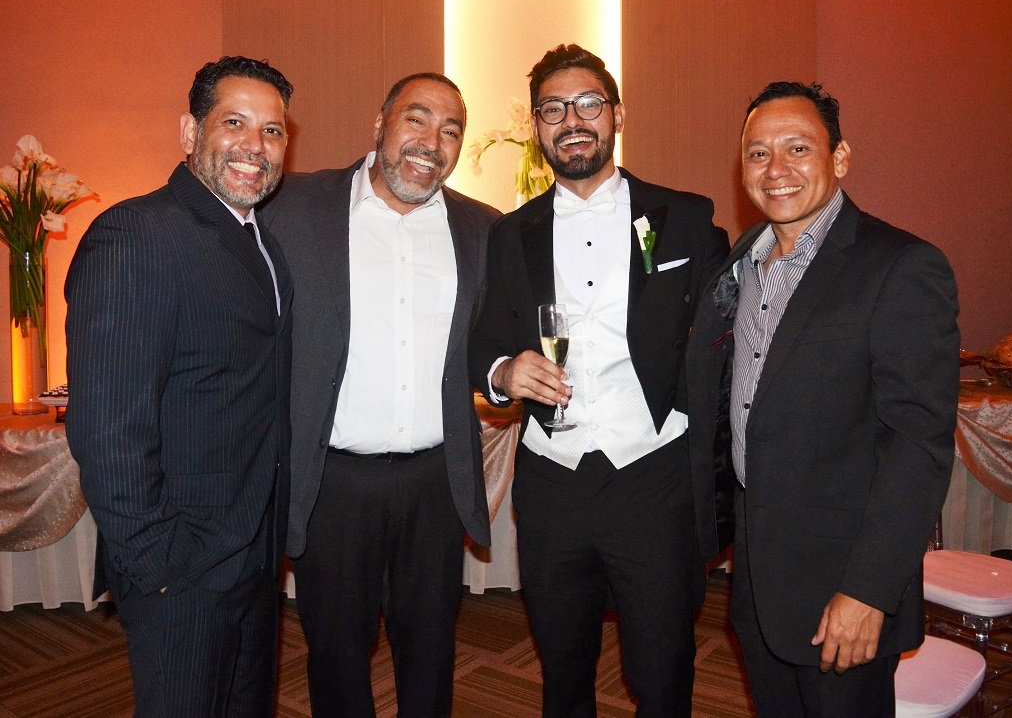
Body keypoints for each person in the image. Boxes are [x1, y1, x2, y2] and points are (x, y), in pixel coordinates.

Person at [468, 44, 730, 717]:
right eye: (552, 109)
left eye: (587, 103)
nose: (571, 119)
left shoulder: (687, 220)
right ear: (536, 127)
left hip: (654, 476)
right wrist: (503, 371)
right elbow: (481, 345)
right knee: (561, 669)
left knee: (662, 670)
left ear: (616, 114)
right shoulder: (509, 236)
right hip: (552, 481)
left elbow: (728, 345)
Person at [685, 81, 959, 716]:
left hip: (844, 588)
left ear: (839, 159)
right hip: (758, 578)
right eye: (757, 153)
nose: (775, 170)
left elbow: (917, 448)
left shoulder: (900, 267)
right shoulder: (738, 266)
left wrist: (869, 591)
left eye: (797, 148)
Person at [259, 72, 499, 717]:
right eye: (416, 120)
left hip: (434, 482)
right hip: (333, 481)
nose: (432, 141)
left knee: (431, 650)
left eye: (451, 130)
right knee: (336, 652)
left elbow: (488, 349)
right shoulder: (293, 207)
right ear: (380, 125)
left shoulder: (482, 230)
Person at [65, 56, 294, 717]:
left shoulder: (262, 244)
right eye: (234, 123)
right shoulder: (137, 234)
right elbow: (107, 431)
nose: (256, 146)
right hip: (183, 572)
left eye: (273, 131)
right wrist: (160, 566)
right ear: (190, 133)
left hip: (253, 560)